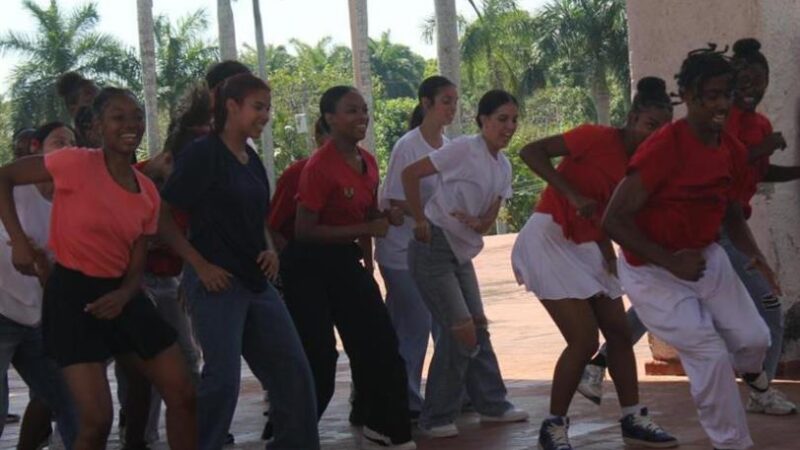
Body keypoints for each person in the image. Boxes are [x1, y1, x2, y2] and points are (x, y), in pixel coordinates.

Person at [0, 87, 197, 450]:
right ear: (98, 127)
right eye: (118, 117)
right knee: (95, 421)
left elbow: (137, 260)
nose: (131, 125)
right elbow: (5, 176)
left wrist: (124, 293)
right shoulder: (75, 162)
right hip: (73, 296)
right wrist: (19, 241)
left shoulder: (147, 191)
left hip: (123, 294)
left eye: (136, 116)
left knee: (182, 392)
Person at [603, 45, 776, 450]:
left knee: (756, 341)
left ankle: (748, 373)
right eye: (711, 96)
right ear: (691, 98)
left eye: (726, 95)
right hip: (651, 268)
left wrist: (756, 258)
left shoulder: (730, 148)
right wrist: (669, 261)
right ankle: (733, 442)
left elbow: (731, 210)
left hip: (703, 258)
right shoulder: (666, 147)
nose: (720, 105)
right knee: (708, 351)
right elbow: (613, 219)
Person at [511, 78, 678, 450]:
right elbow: (530, 152)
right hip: (549, 237)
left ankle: (633, 417)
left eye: (663, 129)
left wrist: (610, 255)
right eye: (650, 125)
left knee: (618, 332)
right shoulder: (594, 136)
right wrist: (570, 193)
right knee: (584, 341)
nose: (655, 135)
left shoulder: (645, 164)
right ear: (633, 117)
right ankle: (553, 427)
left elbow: (612, 213)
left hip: (590, 242)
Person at [160, 73, 319, 450]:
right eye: (258, 107)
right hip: (217, 283)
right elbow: (163, 217)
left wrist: (269, 249)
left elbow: (258, 219)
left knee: (293, 370)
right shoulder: (203, 154)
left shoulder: (251, 161)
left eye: (267, 107)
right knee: (223, 380)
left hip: (256, 281)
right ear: (231, 107)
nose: (265, 115)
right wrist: (199, 266)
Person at [280, 85, 413, 449]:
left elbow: (365, 213)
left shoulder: (368, 161)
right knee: (320, 357)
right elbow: (303, 231)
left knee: (380, 344)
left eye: (364, 110)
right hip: (306, 267)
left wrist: (385, 217)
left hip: (343, 259)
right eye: (352, 111)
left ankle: (386, 426)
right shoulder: (318, 167)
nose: (362, 117)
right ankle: (290, 433)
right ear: (330, 118)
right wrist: (366, 229)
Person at [402, 89, 528, 439]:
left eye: (514, 119)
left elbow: (488, 219)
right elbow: (411, 174)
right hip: (433, 249)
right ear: (483, 121)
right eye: (502, 119)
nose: (509, 126)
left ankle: (493, 403)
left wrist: (477, 223)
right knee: (461, 331)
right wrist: (419, 220)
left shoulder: (503, 166)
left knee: (477, 326)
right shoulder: (463, 149)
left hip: (460, 254)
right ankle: (436, 416)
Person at [722, 37, 798, 415]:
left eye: (759, 78)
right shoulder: (721, 118)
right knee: (770, 304)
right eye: (744, 79)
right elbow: (726, 165)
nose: (752, 86)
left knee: (670, 300)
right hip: (719, 229)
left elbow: (758, 170)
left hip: (731, 228)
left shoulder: (760, 123)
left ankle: (600, 360)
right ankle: (762, 391)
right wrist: (763, 145)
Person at [375, 76, 458, 419]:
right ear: (426, 104)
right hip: (401, 250)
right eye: (445, 101)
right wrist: (430, 218)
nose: (452, 108)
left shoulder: (448, 146)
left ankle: (397, 394)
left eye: (455, 101)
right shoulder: (408, 146)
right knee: (416, 325)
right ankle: (405, 400)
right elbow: (395, 197)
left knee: (431, 323)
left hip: (429, 250)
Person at [0, 122, 78, 449]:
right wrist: (17, 241)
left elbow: (58, 275)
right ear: (37, 148)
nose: (67, 148)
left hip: (37, 320)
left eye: (73, 143)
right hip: (2, 310)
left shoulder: (73, 201)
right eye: (59, 141)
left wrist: (45, 269)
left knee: (73, 402)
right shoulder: (15, 189)